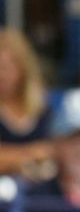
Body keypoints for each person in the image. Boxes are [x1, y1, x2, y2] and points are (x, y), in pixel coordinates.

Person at [0, 29, 55, 182]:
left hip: (40, 188)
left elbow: (54, 149)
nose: (2, 75)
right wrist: (30, 154)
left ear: (23, 68)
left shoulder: (42, 105)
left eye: (7, 67)